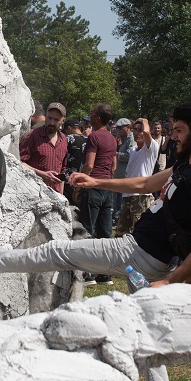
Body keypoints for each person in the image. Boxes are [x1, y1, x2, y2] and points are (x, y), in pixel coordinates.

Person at [0, 99, 191, 288]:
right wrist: (95, 181)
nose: (173, 137)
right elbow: (145, 184)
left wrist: (169, 282)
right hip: (146, 256)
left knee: (57, 252)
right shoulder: (189, 164)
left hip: (139, 253)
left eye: (179, 131)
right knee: (147, 328)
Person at [80, 103, 118, 285]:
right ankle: (105, 274)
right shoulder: (112, 138)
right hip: (107, 187)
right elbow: (113, 166)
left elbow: (89, 164)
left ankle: (87, 274)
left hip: (93, 185)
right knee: (105, 231)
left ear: (98, 118)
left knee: (87, 229)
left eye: (92, 113)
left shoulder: (94, 137)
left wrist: (80, 183)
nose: (90, 115)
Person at [114, 118, 160, 237]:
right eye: (135, 130)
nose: (137, 133)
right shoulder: (133, 150)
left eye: (140, 130)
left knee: (140, 233)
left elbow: (147, 133)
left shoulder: (151, 148)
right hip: (127, 195)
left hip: (141, 196)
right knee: (121, 233)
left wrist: (144, 120)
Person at [18, 102, 68, 194]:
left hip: (55, 195)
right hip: (33, 192)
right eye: (49, 118)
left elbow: (62, 170)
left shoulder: (64, 139)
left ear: (63, 120)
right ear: (45, 116)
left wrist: (61, 194)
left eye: (56, 120)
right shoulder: (32, 135)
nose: (51, 122)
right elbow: (19, 163)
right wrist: (42, 174)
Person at [112, 118, 134, 222]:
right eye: (117, 128)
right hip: (120, 175)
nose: (118, 130)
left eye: (120, 128)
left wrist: (116, 154)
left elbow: (129, 156)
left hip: (125, 175)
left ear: (128, 127)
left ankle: (119, 219)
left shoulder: (131, 139)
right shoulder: (125, 139)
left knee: (121, 200)